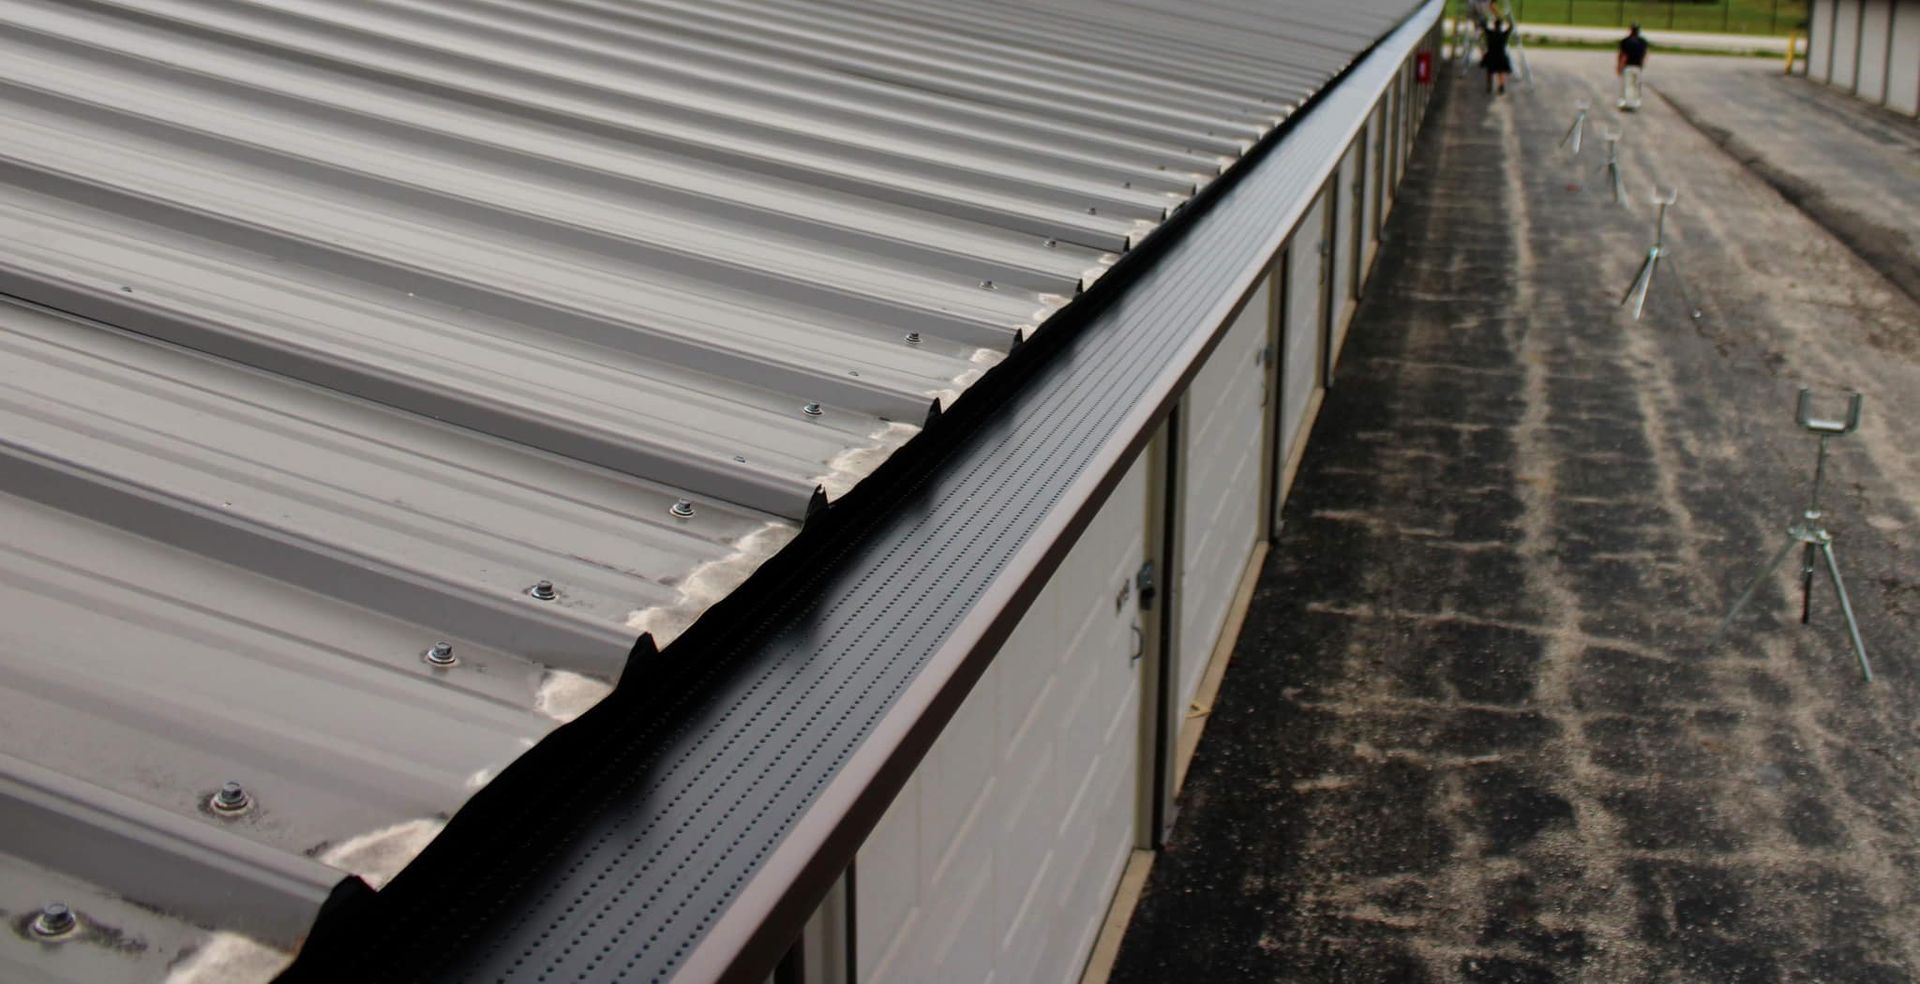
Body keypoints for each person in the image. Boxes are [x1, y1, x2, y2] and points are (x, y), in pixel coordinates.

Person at [1617, 24, 1650, 110]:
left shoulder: (1625, 41)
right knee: (1636, 84)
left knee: (1628, 84)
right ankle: (1635, 102)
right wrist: (1642, 64)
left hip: (1628, 65)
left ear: (1630, 30)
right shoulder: (1643, 42)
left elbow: (1624, 55)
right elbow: (1645, 55)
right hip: (1638, 66)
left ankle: (1628, 103)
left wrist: (1619, 66)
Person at [1482, 17, 1513, 95]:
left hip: (1491, 55)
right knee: (1500, 71)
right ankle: (1501, 85)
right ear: (1500, 26)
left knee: (1490, 71)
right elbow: (1510, 28)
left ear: (1494, 25)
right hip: (1500, 55)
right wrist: (1509, 20)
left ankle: (1489, 86)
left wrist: (1485, 20)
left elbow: (1484, 27)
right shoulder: (1503, 35)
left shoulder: (1490, 33)